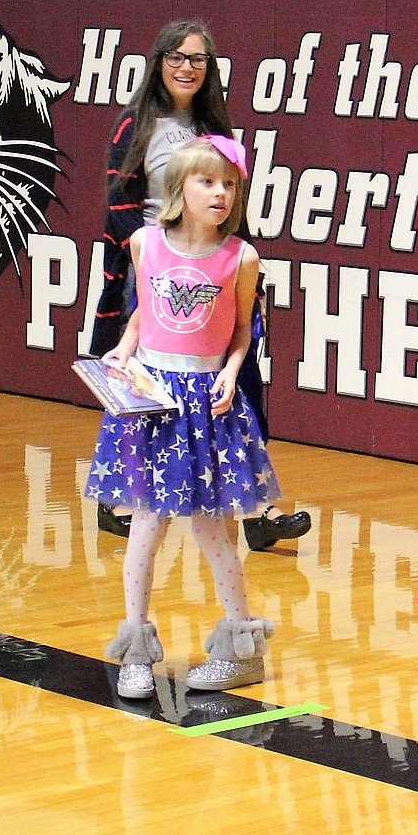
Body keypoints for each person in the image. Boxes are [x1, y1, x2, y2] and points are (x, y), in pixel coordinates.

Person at [89, 18, 309, 551]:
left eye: (198, 59)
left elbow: (231, 204)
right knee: (143, 387)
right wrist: (163, 260)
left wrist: (239, 270)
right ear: (158, 63)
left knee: (238, 383)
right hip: (156, 273)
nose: (186, 68)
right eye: (176, 57)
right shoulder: (135, 125)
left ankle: (255, 509)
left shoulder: (216, 127)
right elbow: (120, 208)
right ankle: (122, 497)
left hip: (212, 268)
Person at [85, 137, 277, 700]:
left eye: (228, 184)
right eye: (207, 182)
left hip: (205, 400)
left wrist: (231, 369)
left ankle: (240, 651)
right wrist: (123, 348)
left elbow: (243, 329)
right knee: (145, 523)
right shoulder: (145, 244)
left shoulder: (241, 258)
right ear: (180, 188)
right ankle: (137, 651)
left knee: (212, 526)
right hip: (151, 397)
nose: (219, 193)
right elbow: (145, 310)